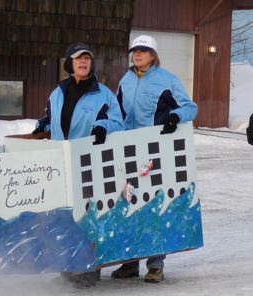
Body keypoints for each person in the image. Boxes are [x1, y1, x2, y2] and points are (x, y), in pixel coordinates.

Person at [32, 42, 125, 287]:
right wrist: (44, 124)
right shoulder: (58, 92)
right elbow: (56, 120)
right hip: (62, 162)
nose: (83, 62)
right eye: (77, 59)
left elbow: (118, 123)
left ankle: (87, 269)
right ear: (69, 64)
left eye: (87, 58)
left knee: (86, 214)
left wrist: (103, 126)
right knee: (65, 214)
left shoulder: (103, 94)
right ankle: (67, 263)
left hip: (90, 163)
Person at [111, 35, 198, 283]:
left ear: (153, 54)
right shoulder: (125, 79)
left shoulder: (167, 79)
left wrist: (175, 117)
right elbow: (117, 112)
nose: (137, 54)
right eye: (135, 51)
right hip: (128, 150)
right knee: (128, 203)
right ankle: (129, 263)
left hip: (155, 151)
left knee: (152, 205)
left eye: (143, 50)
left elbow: (190, 107)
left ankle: (155, 265)